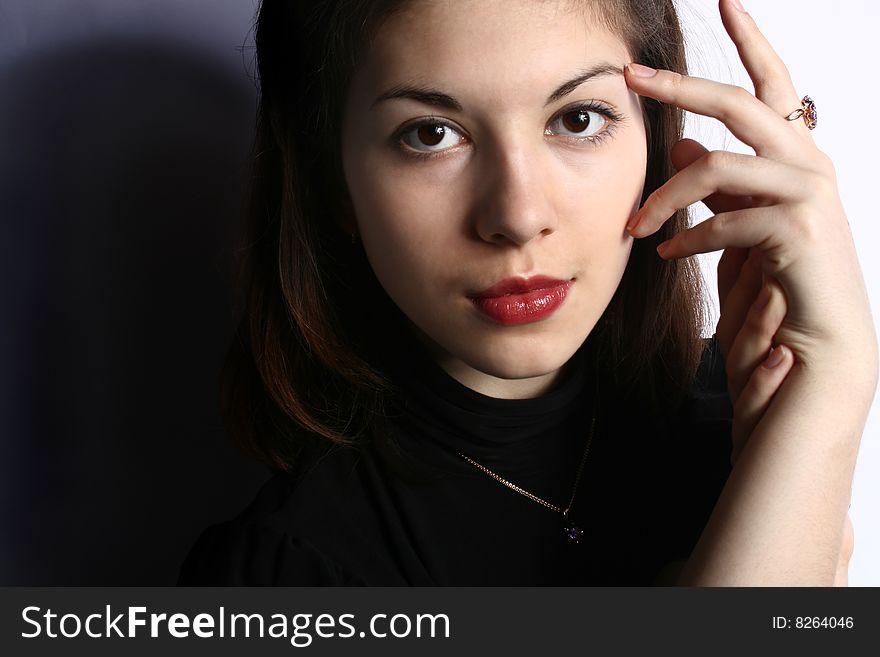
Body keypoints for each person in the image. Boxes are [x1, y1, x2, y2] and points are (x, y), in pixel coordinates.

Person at [178, 0, 876, 585]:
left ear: (656, 138)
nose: (516, 216)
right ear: (334, 187)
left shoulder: (757, 412)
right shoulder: (285, 574)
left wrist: (826, 387)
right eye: (431, 134)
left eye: (577, 118)